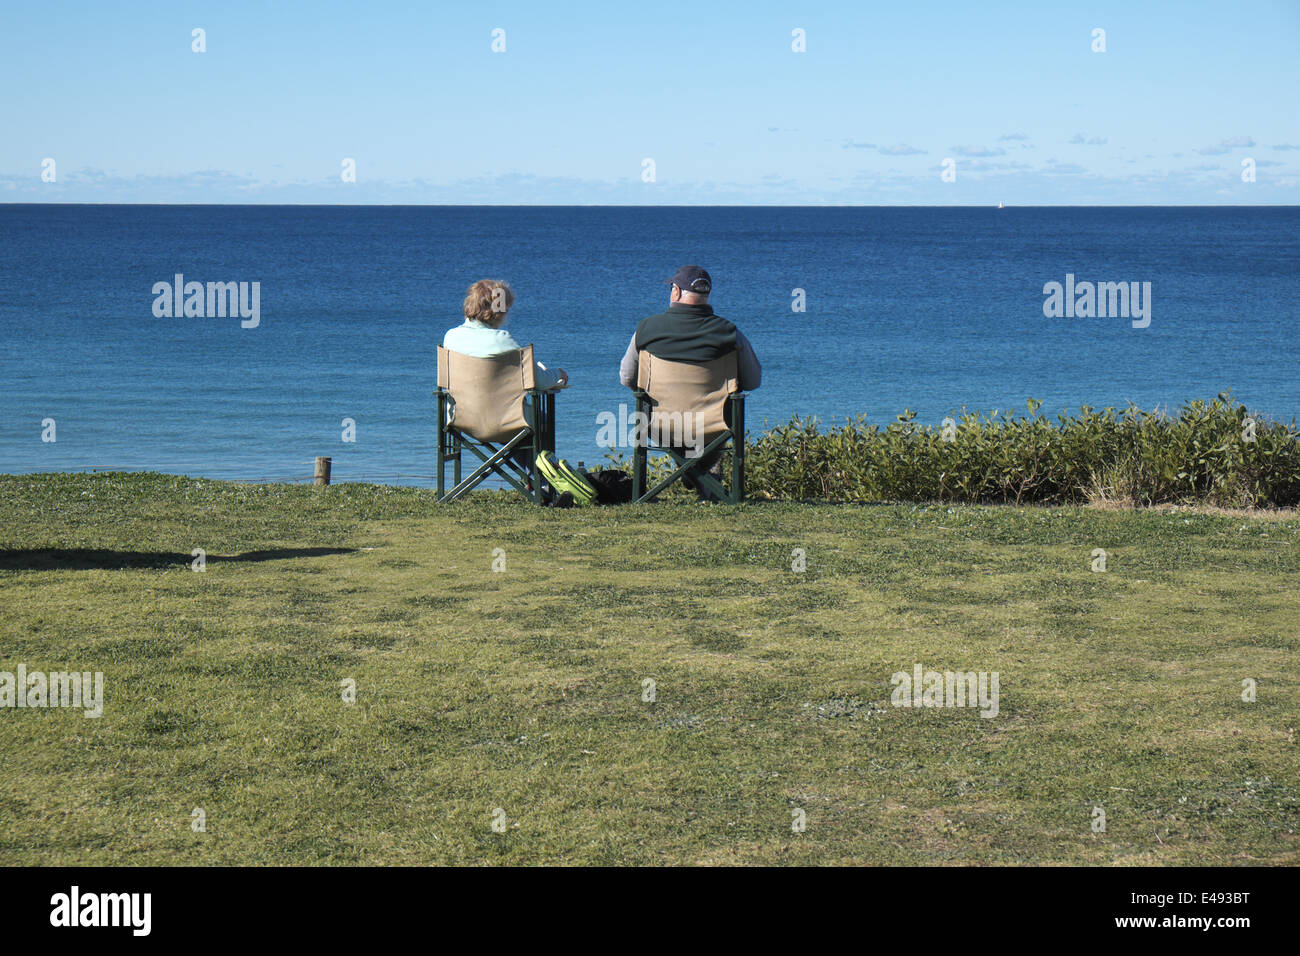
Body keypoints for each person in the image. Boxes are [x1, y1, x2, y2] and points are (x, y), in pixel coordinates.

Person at [618, 265, 761, 499]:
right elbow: (753, 381)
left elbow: (626, 378)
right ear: (707, 295)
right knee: (719, 424)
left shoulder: (645, 330)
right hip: (713, 427)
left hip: (660, 425)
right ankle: (703, 479)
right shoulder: (729, 333)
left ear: (675, 292)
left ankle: (690, 471)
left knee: (672, 427)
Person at [443, 279, 567, 477]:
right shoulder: (503, 339)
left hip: (461, 420)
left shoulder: (450, 337)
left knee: (517, 424)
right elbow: (540, 381)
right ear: (498, 310)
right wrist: (558, 373)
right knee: (536, 420)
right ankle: (541, 482)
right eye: (506, 307)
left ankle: (533, 481)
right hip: (503, 421)